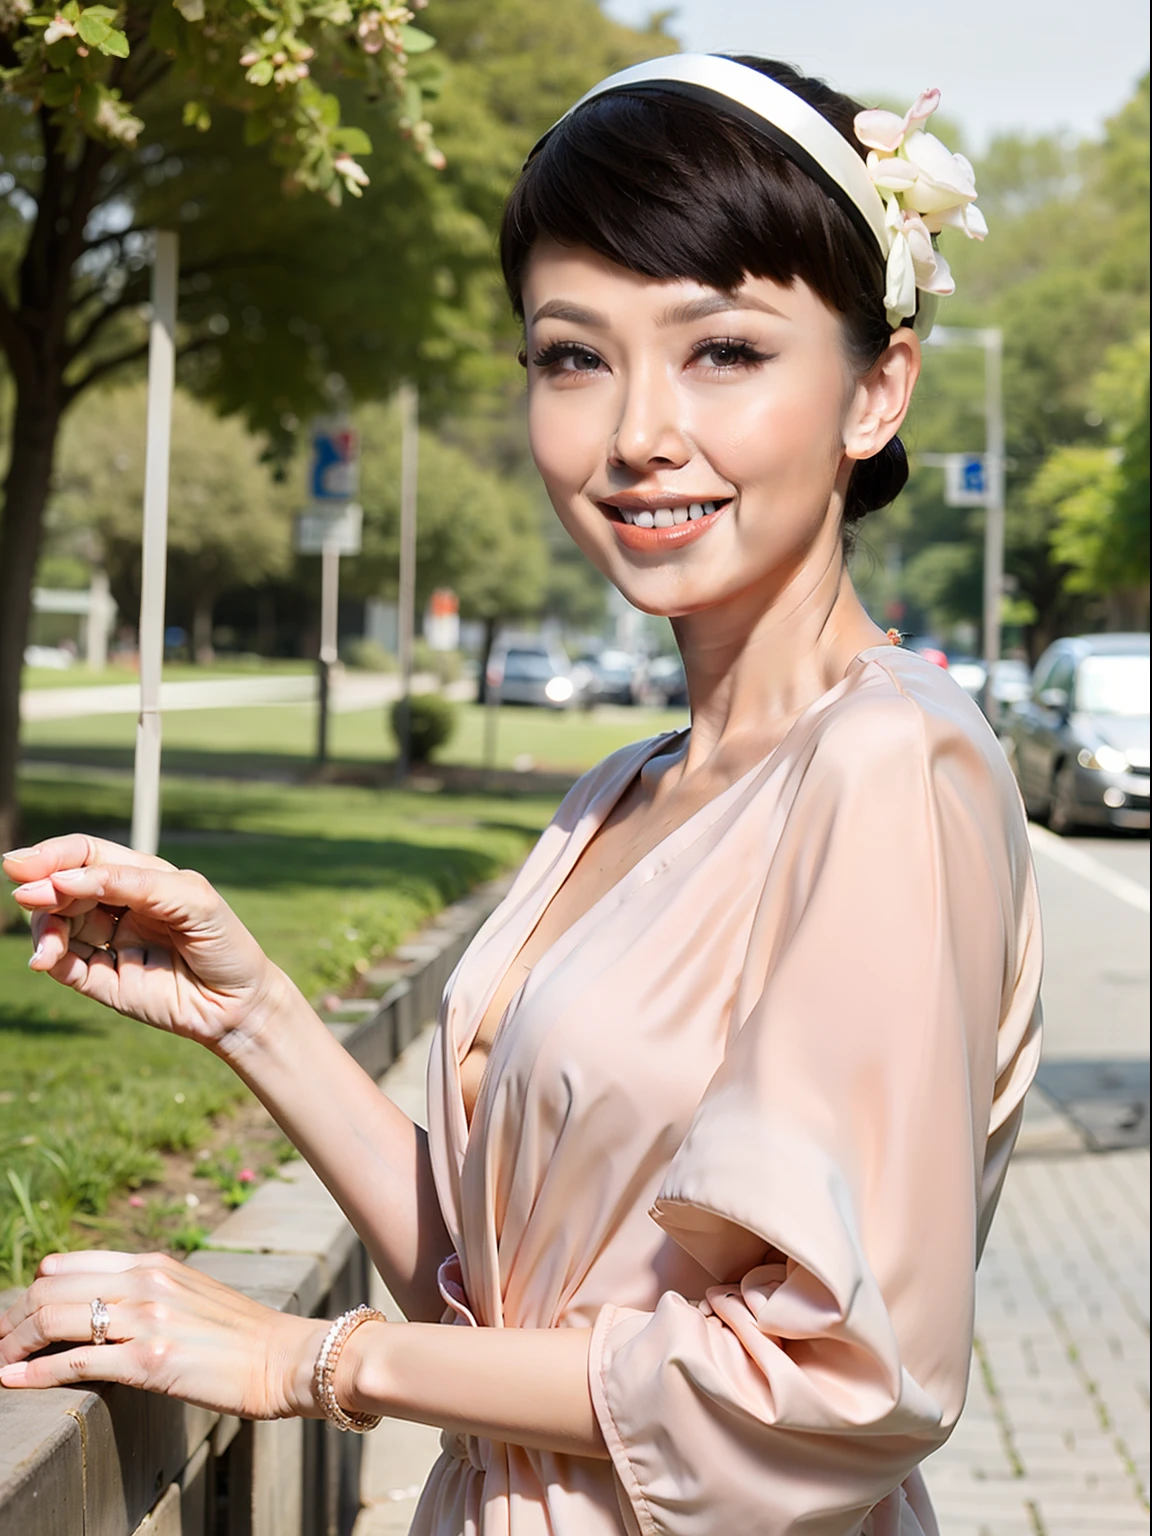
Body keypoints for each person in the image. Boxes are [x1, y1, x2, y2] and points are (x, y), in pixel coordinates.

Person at [1, 53, 1041, 1536]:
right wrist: (254, 1012)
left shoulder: (887, 763)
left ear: (877, 385)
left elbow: (836, 1385)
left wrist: (308, 1359)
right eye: (573, 354)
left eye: (725, 352)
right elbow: (520, 1285)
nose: (637, 433)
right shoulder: (625, 790)